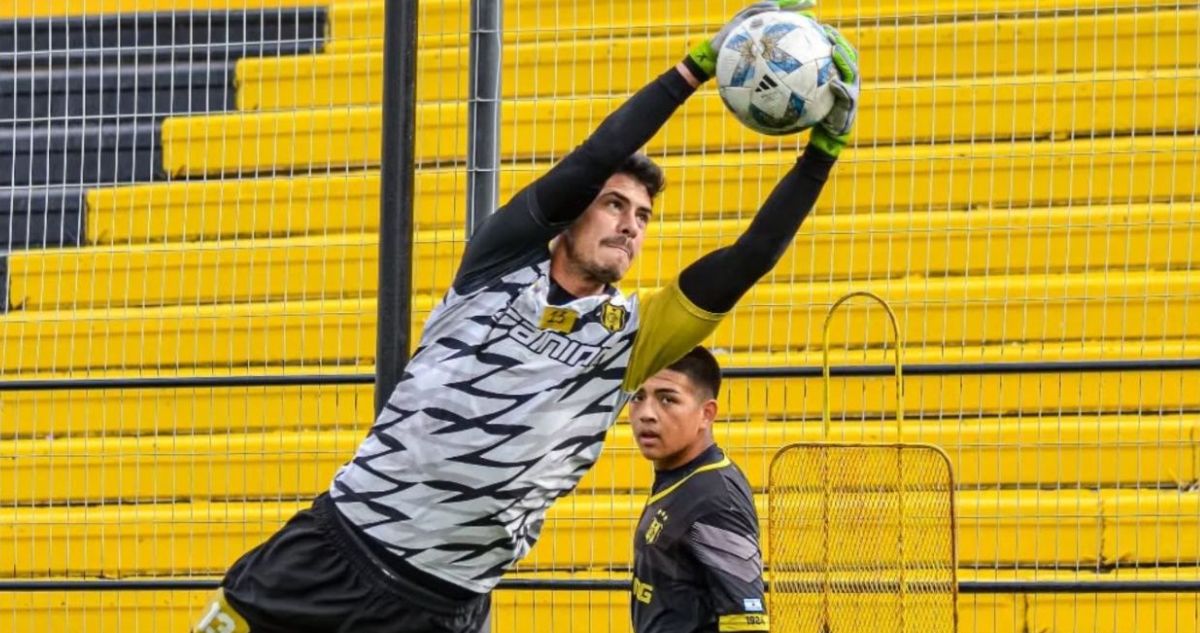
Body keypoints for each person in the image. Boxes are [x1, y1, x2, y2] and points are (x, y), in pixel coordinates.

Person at [192, 0, 858, 630]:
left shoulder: (630, 340)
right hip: (333, 553)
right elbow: (595, 157)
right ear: (572, 214)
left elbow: (750, 257)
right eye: (615, 205)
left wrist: (820, 154)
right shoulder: (500, 263)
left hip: (444, 605)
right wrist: (695, 69)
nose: (631, 225)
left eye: (644, 217)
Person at [628, 347, 766, 633]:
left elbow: (747, 623)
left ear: (706, 414)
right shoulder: (679, 478)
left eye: (667, 399)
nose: (646, 414)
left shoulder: (716, 499)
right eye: (638, 397)